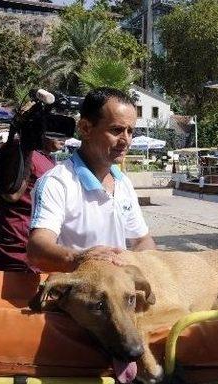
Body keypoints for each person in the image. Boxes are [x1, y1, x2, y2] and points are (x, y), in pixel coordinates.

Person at [27, 87, 155, 273]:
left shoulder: (123, 184)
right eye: (117, 130)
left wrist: (132, 261)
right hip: (76, 296)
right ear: (86, 128)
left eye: (130, 131)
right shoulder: (57, 183)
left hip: (117, 292)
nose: (125, 140)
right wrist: (83, 259)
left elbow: (143, 239)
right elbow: (37, 249)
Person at [0, 133, 65, 273]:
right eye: (54, 128)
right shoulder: (17, 150)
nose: (63, 136)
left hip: (33, 255)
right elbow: (11, 193)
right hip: (16, 255)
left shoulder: (43, 156)